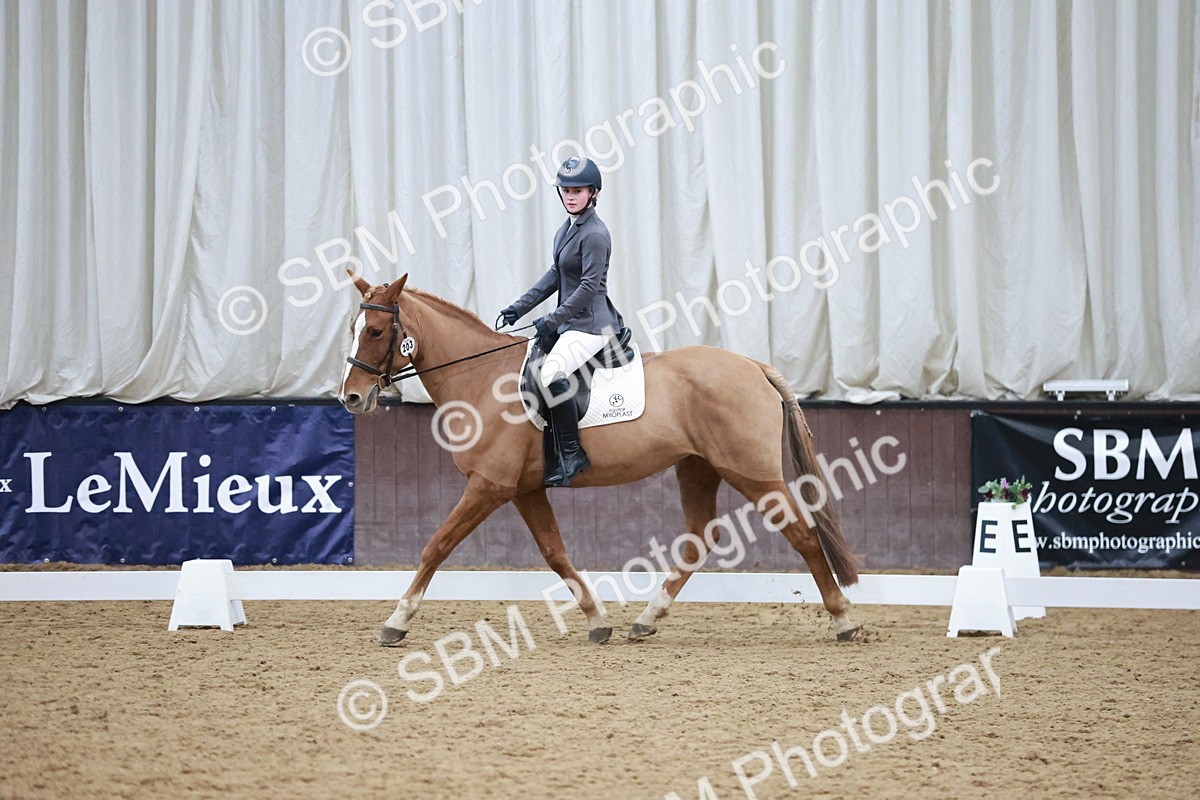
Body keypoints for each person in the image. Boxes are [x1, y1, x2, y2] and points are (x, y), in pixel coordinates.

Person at [499, 156, 625, 487]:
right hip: (571, 322)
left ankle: (572, 454)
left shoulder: (596, 234)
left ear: (593, 193)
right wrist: (518, 308)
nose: (570, 196)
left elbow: (586, 289)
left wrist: (551, 320)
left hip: (591, 324)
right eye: (566, 190)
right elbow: (555, 275)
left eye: (578, 190)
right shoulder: (566, 230)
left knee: (551, 372)